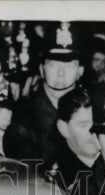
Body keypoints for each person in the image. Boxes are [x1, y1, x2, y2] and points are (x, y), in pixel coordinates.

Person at [14, 23, 85, 158]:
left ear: (80, 71)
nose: (61, 73)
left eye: (69, 66)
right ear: (41, 69)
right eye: (53, 65)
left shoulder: (91, 110)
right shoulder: (24, 113)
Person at [47, 86, 99, 191]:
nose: (94, 131)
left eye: (97, 122)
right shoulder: (56, 180)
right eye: (83, 125)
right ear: (64, 129)